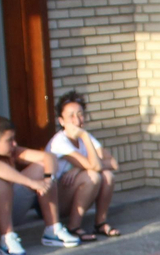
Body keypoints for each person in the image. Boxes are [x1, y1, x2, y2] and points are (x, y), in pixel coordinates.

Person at [0, 116, 82, 255]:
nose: (15, 144)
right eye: (9, 140)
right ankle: (6, 239)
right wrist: (32, 183)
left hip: (8, 209)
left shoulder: (10, 151)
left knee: (42, 168)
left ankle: (53, 230)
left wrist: (48, 180)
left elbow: (49, 157)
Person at [48, 92, 119, 240]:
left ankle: (100, 223)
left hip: (72, 194)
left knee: (107, 176)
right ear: (61, 121)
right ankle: (73, 227)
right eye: (71, 116)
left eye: (80, 115)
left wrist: (79, 168)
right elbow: (95, 167)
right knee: (92, 176)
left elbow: (113, 163)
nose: (77, 120)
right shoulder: (60, 142)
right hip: (54, 202)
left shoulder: (84, 137)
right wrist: (85, 137)